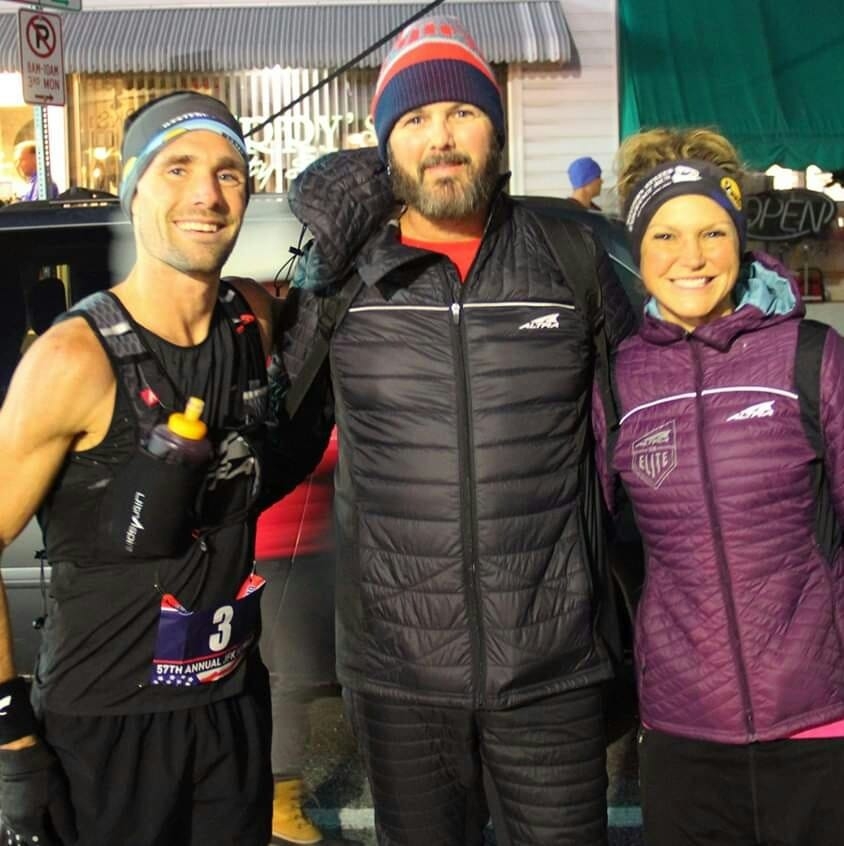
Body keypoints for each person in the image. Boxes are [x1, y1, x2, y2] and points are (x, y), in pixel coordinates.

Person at [279, 15, 635, 846]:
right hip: (400, 680)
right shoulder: (347, 281)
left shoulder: (568, 256)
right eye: (414, 120)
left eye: (462, 113)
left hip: (553, 669)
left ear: (495, 131)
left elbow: (653, 414)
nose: (440, 137)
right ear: (385, 150)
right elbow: (270, 428)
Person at [0, 91, 328, 846]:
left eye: (228, 173)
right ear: (135, 189)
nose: (206, 195)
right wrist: (10, 732)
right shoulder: (73, 359)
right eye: (177, 168)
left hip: (231, 708)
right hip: (106, 728)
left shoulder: (252, 317)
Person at [592, 127, 844, 846]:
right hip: (683, 734)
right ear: (638, 249)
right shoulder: (620, 380)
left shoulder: (811, 358)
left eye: (711, 232)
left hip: (819, 723)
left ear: (739, 238)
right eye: (665, 236)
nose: (692, 257)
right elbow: (589, 536)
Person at [257, 427, 338, 845]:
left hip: (303, 552)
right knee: (288, 681)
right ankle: (279, 808)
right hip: (277, 553)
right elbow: (315, 454)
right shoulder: (281, 409)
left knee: (288, 679)